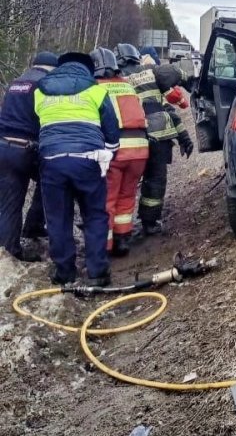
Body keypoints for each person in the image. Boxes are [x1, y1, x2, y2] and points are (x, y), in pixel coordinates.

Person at [34, 52, 120, 286]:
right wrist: (109, 156)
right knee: (94, 215)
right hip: (88, 159)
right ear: (87, 69)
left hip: (51, 160)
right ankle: (97, 273)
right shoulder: (96, 89)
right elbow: (112, 131)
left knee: (58, 218)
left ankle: (64, 272)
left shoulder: (40, 90)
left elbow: (38, 126)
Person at [116, 43, 193, 236]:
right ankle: (150, 223)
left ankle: (118, 228)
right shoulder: (151, 71)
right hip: (159, 135)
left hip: (127, 139)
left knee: (122, 183)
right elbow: (169, 103)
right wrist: (189, 79)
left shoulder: (113, 79)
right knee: (156, 180)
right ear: (136, 57)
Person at [0, 51, 58, 261]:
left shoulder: (16, 82)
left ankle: (8, 253)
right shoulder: (46, 84)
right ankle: (34, 226)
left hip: (4, 147)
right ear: (52, 68)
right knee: (53, 181)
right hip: (28, 148)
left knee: (9, 204)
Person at [90, 48, 149, 256]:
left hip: (115, 150)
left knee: (108, 199)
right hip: (140, 149)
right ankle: (122, 240)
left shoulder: (94, 88)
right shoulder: (127, 85)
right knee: (127, 195)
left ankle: (104, 246)